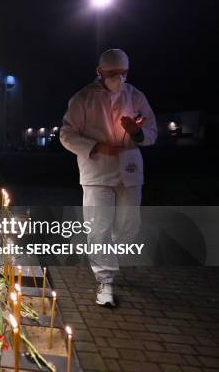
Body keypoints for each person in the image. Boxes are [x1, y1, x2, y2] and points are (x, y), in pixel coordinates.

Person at [60, 49, 157, 307]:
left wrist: (136, 132)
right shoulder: (83, 98)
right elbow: (66, 135)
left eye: (123, 73)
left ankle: (104, 254)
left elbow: (152, 132)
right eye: (113, 74)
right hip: (97, 171)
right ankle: (105, 281)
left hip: (130, 170)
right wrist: (96, 146)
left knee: (129, 226)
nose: (119, 78)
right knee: (99, 226)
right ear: (99, 71)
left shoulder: (136, 96)